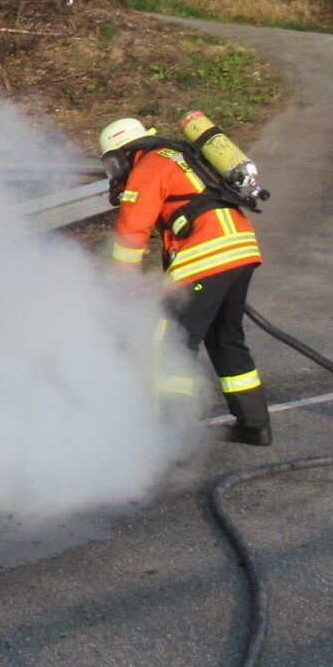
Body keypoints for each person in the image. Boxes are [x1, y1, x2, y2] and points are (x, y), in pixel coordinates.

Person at [100, 115, 271, 445]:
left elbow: (131, 229)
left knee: (172, 343)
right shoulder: (178, 155)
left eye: (112, 162)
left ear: (123, 152)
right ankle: (255, 425)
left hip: (207, 255)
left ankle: (172, 438)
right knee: (226, 338)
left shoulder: (147, 166)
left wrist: (121, 284)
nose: (114, 171)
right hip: (241, 248)